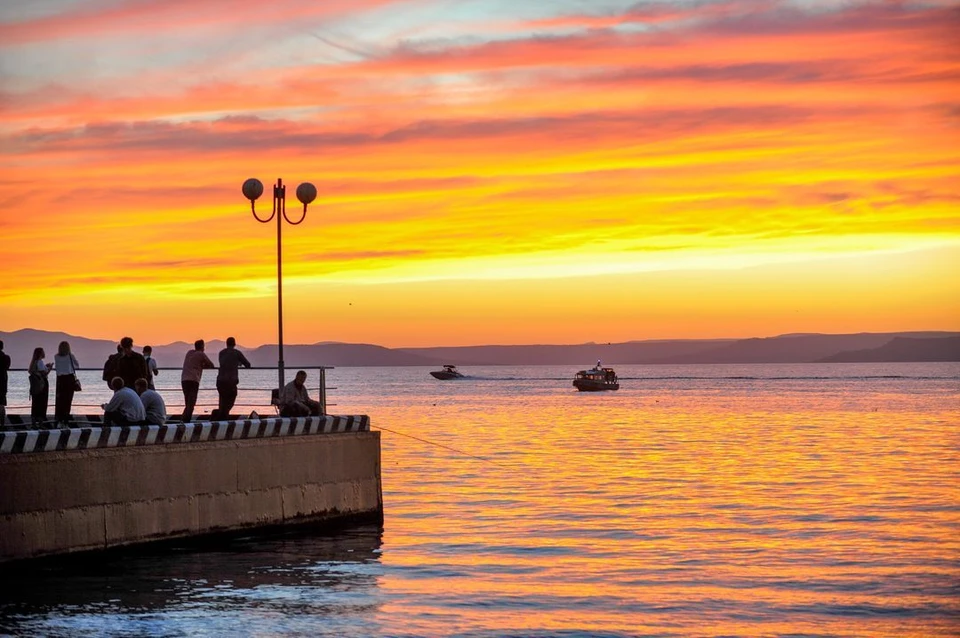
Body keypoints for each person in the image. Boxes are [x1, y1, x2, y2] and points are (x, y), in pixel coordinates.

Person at [216, 337, 251, 419]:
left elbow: (224, 363)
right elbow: (247, 364)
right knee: (232, 397)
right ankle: (224, 415)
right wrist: (238, 362)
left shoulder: (221, 353)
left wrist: (236, 362)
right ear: (234, 344)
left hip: (220, 381)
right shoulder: (237, 353)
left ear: (226, 344)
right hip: (230, 381)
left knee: (222, 400)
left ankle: (221, 417)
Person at [181, 339, 215, 422]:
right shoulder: (201, 354)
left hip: (184, 380)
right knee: (191, 404)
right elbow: (211, 365)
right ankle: (185, 422)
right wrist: (202, 365)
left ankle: (184, 420)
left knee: (187, 402)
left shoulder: (189, 353)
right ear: (202, 347)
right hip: (193, 380)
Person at [53, 340, 81, 426]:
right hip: (69, 379)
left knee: (59, 400)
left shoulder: (56, 356)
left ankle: (58, 420)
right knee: (68, 400)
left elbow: (57, 368)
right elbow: (77, 366)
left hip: (60, 379)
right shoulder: (70, 356)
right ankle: (65, 421)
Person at [28, 347, 53, 426]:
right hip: (42, 385)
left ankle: (34, 423)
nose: (44, 353)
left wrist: (45, 366)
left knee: (35, 403)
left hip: (35, 386)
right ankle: (41, 423)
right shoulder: (40, 362)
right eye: (43, 351)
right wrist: (50, 368)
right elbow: (44, 374)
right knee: (42, 403)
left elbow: (36, 371)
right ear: (40, 353)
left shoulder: (34, 362)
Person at [0, 340, 11, 427]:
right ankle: (2, 423)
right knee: (2, 403)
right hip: (3, 381)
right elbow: (7, 367)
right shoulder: (6, 358)